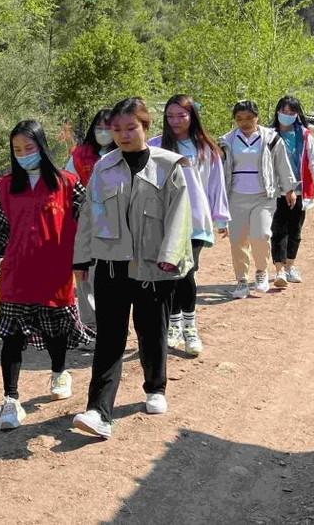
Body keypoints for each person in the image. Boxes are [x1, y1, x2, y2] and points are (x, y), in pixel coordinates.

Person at [71, 97, 192, 440]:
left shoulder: (170, 166)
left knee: (151, 329)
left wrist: (171, 255)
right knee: (110, 338)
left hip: (154, 265)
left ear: (145, 127)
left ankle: (155, 386)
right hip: (111, 264)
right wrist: (81, 258)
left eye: (130, 128)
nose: (123, 135)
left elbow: (180, 215)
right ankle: (98, 411)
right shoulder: (104, 168)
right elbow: (90, 216)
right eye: (117, 129)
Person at [0, 120, 94, 431]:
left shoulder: (69, 184)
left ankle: (60, 371)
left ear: (42, 148)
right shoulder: (5, 186)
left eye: (29, 148)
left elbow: (85, 226)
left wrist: (85, 260)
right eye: (17, 150)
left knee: (54, 331)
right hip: (17, 271)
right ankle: (10, 400)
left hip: (54, 272)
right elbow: (2, 227)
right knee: (12, 336)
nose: (23, 154)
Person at [149, 95, 230, 356]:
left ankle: (190, 327)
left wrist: (220, 217)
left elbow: (216, 185)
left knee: (187, 272)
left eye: (181, 115)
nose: (175, 121)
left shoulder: (206, 149)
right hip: (164, 220)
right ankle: (173, 325)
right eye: (170, 116)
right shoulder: (155, 146)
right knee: (171, 272)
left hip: (195, 220)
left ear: (192, 116)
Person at [219, 100, 298, 299]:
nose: (244, 123)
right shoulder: (226, 141)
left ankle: (261, 271)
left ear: (257, 117)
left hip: (263, 196)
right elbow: (218, 171)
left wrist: (289, 189)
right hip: (236, 197)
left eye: (248, 118)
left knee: (261, 234)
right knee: (238, 240)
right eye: (239, 119)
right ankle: (241, 281)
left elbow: (282, 163)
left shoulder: (271, 139)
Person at [268, 95, 314, 288]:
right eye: (283, 112)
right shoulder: (268, 135)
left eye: (291, 112)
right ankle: (279, 270)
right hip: (276, 191)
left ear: (297, 114)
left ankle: (290, 266)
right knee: (278, 230)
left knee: (295, 230)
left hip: (300, 189)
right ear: (277, 112)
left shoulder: (304, 135)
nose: (286, 115)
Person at [63, 108, 113, 330]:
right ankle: (89, 324)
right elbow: (67, 184)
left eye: (108, 128)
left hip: (117, 224)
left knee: (112, 276)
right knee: (84, 274)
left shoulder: (123, 152)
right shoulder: (80, 155)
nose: (103, 132)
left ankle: (112, 321)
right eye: (99, 127)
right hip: (86, 222)